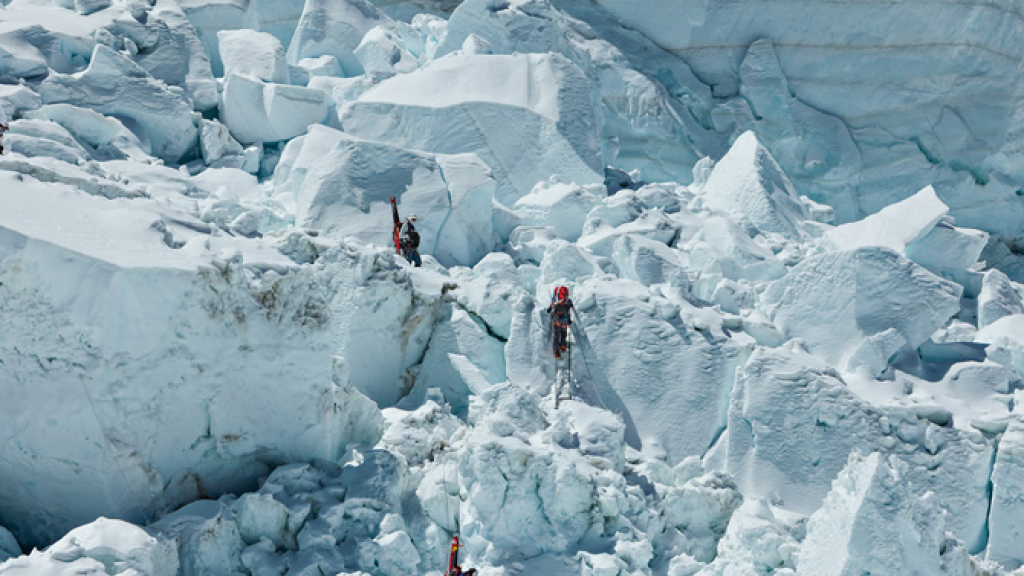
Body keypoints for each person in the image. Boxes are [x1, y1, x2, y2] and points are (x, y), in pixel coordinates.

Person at [389, 196, 422, 267]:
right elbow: (401, 235)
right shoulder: (406, 225)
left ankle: (418, 274)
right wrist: (408, 237)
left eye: (415, 219)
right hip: (408, 247)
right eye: (413, 219)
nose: (414, 221)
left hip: (413, 247)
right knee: (408, 262)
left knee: (418, 261)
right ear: (409, 219)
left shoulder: (412, 226)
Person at [546, 286, 573, 359]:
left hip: (556, 320)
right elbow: (571, 307)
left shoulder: (554, 300)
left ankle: (556, 350)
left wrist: (549, 309)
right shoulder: (568, 301)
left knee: (556, 335)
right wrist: (569, 321)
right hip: (565, 320)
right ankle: (563, 346)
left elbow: (549, 309)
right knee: (564, 333)